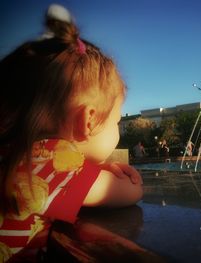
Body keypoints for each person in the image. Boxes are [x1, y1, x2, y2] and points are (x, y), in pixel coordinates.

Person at [0, 4, 143, 261]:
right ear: (88, 121)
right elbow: (129, 193)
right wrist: (108, 177)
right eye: (116, 122)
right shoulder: (49, 163)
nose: (117, 130)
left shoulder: (14, 152)